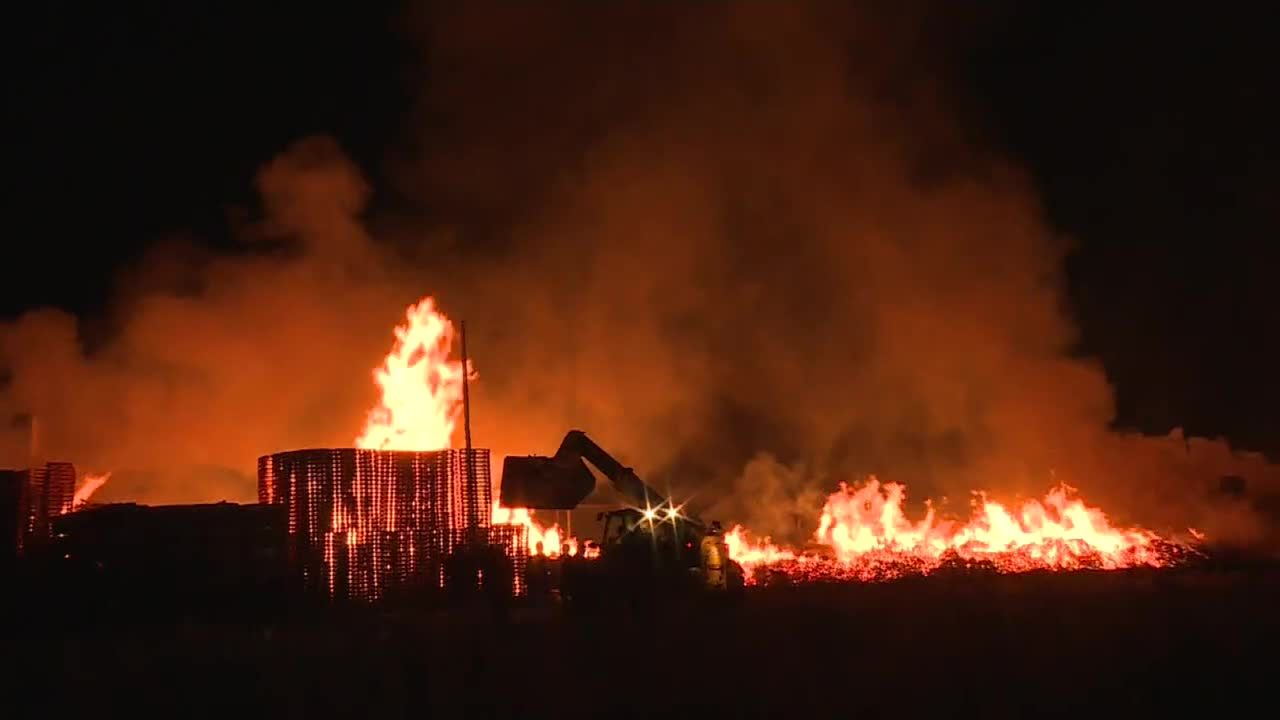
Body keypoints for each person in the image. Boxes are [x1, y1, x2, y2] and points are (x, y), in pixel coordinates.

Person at [700, 521, 728, 591]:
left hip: (712, 570)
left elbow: (703, 557)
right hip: (715, 570)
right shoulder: (722, 540)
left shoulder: (705, 541)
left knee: (712, 587)